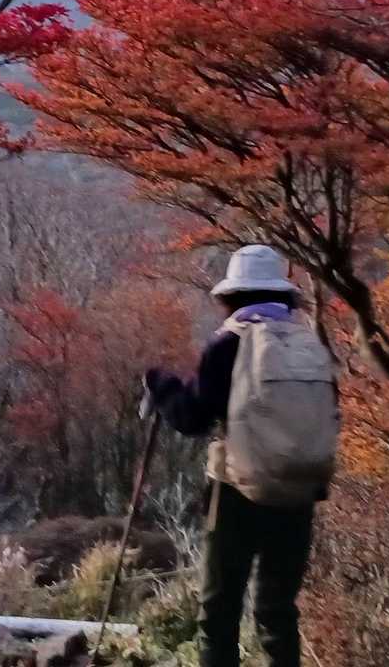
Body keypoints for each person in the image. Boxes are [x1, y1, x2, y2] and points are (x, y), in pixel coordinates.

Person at [143, 244, 339, 667]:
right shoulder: (309, 344)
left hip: (236, 489)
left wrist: (161, 386)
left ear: (231, 295)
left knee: (220, 609)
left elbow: (192, 418)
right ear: (283, 294)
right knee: (277, 610)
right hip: (299, 489)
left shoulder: (228, 343)